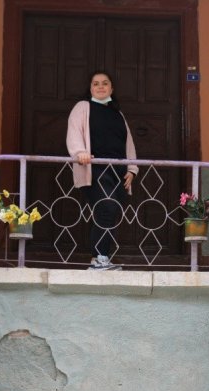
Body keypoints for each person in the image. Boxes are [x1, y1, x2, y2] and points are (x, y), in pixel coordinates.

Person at [66, 70, 139, 270]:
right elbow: (74, 131)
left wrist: (132, 168)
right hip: (94, 168)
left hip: (118, 171)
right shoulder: (83, 107)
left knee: (110, 212)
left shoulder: (118, 113)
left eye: (105, 83)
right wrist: (80, 152)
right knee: (106, 208)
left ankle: (102, 258)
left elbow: (128, 142)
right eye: (96, 83)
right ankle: (99, 259)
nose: (100, 87)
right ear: (90, 88)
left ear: (111, 88)